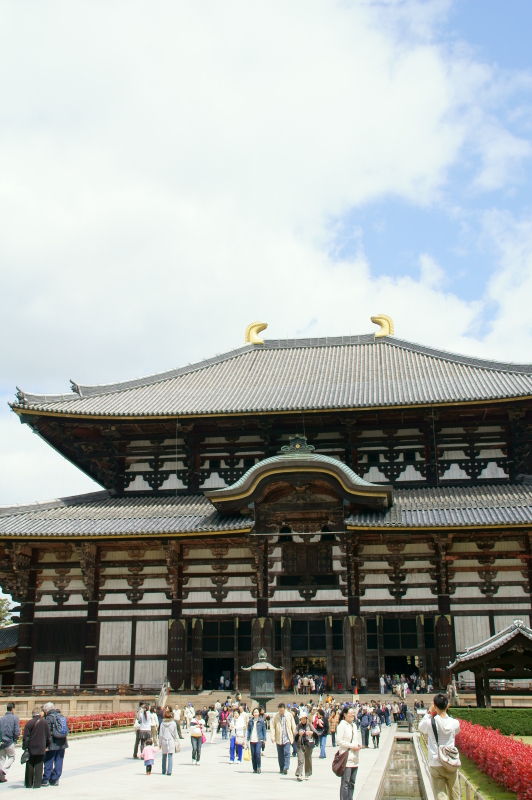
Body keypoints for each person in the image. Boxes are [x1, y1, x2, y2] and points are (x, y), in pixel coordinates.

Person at [418, 694, 461, 800]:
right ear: (448, 706)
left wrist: (429, 712)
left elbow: (420, 727)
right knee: (454, 794)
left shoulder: (429, 722)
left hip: (436, 761)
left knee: (440, 794)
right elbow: (456, 732)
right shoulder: (455, 723)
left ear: (435, 706)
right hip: (450, 761)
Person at [336, 706, 361, 800]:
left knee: (352, 781)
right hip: (346, 757)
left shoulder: (354, 725)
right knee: (345, 782)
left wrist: (357, 745)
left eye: (353, 713)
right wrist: (351, 746)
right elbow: (339, 741)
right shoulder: (342, 725)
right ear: (345, 715)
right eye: (350, 713)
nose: (353, 715)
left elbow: (355, 739)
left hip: (355, 757)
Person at [22, 708, 51, 789]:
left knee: (30, 765)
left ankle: (28, 783)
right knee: (39, 765)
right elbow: (48, 735)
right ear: (39, 714)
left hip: (31, 747)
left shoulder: (29, 723)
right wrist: (48, 745)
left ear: (32, 714)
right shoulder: (44, 722)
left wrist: (25, 747)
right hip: (41, 747)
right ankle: (37, 784)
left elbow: (26, 737)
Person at [42, 703, 68, 787]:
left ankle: (46, 779)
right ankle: (55, 779)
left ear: (46, 710)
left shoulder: (48, 718)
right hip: (62, 742)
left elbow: (47, 732)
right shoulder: (60, 716)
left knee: (49, 760)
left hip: (52, 743)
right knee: (59, 761)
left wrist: (46, 743)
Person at [270, 702, 296, 775]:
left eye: (282, 710)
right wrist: (272, 736)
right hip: (279, 738)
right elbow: (272, 727)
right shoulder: (275, 716)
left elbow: (293, 726)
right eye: (280, 710)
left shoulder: (289, 715)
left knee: (287, 753)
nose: (281, 712)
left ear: (284, 709)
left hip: (287, 737)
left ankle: (286, 767)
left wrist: (295, 735)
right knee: (280, 754)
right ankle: (281, 768)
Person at [294, 709, 318, 782]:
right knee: (300, 760)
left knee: (308, 759)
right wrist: (299, 734)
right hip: (300, 745)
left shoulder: (309, 725)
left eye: (304, 719)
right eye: (302, 719)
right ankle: (299, 774)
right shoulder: (298, 726)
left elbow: (316, 734)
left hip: (308, 745)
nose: (303, 720)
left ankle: (307, 773)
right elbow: (295, 736)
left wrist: (311, 733)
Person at [0, 702, 20, 782]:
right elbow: (16, 730)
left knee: (2, 759)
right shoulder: (15, 718)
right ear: (12, 709)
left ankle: (1, 777)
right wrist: (14, 740)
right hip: (9, 741)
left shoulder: (1, 719)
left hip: (1, 742)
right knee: (12, 757)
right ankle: (3, 770)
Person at [159, 709, 179, 776]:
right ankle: (169, 771)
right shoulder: (173, 723)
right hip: (170, 741)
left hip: (164, 741)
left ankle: (163, 770)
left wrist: (159, 744)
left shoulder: (162, 723)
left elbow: (160, 735)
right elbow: (175, 733)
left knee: (164, 756)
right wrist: (177, 740)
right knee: (170, 756)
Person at [246, 707, 266, 774]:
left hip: (259, 739)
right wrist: (247, 739)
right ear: (253, 713)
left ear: (259, 713)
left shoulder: (261, 720)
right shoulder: (251, 721)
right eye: (254, 712)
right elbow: (248, 730)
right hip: (252, 739)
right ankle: (254, 768)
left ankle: (259, 766)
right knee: (253, 754)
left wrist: (264, 739)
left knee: (257, 753)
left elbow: (264, 730)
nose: (256, 713)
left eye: (257, 712)